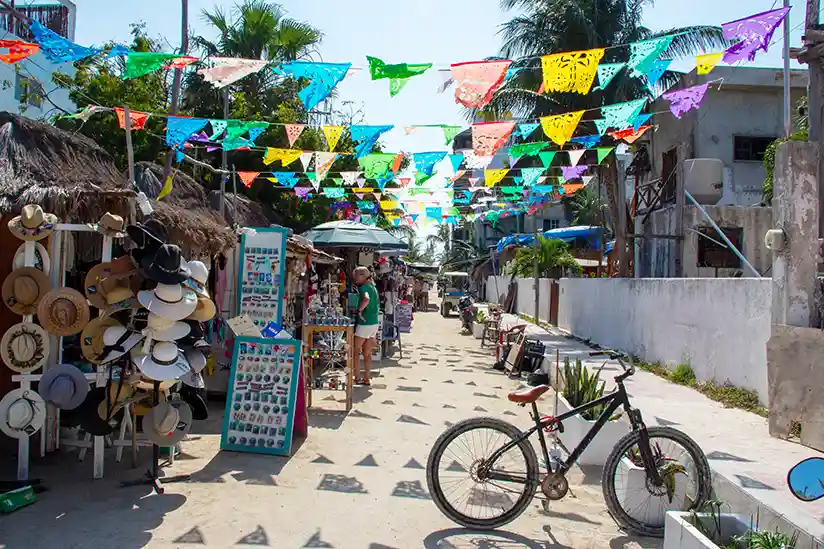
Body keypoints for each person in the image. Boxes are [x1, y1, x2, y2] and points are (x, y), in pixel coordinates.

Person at [352, 266, 380, 386]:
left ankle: (357, 377)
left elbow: (366, 299)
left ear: (363, 275)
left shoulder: (364, 288)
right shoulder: (374, 288)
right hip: (374, 323)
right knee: (367, 353)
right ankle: (366, 378)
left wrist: (359, 310)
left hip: (365, 323)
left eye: (357, 275)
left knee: (356, 351)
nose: (355, 278)